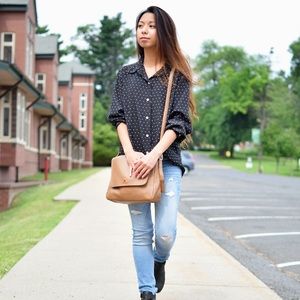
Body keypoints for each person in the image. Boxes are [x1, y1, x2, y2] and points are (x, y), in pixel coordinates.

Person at [108, 6, 196, 300]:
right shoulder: (126, 75)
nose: (143, 30)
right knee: (141, 231)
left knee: (165, 234)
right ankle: (146, 291)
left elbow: (180, 121)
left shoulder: (177, 76)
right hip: (132, 166)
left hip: (167, 163)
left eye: (151, 26)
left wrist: (153, 155)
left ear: (164, 32)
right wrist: (132, 154)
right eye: (140, 25)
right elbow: (117, 117)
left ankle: (160, 260)